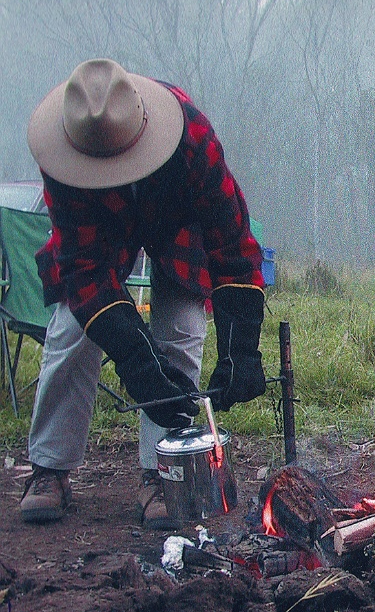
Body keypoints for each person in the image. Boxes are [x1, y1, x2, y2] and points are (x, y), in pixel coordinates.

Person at [21, 58, 266, 528]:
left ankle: (162, 470)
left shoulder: (191, 138)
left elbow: (231, 241)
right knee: (72, 332)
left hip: (176, 224)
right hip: (101, 230)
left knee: (182, 327)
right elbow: (84, 270)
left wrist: (242, 348)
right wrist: (136, 360)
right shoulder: (63, 156)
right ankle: (49, 467)